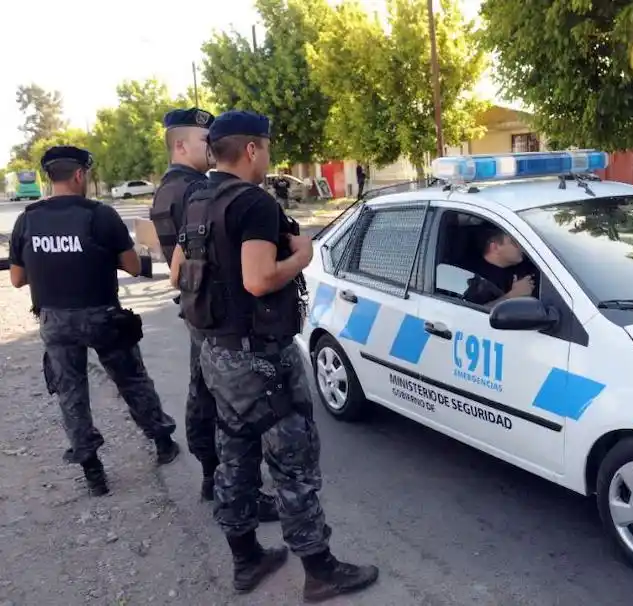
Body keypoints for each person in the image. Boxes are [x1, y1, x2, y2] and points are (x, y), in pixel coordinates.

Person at [169, 111, 379, 601]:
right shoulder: (252, 203)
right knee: (293, 461)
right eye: (265, 146)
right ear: (251, 150)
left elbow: (178, 274)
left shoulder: (197, 199)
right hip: (260, 358)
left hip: (216, 355)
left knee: (235, 455)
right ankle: (321, 570)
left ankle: (246, 559)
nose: (267, 156)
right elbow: (259, 279)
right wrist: (301, 258)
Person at [7, 145, 181, 497]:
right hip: (101, 315)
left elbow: (16, 279)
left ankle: (93, 472)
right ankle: (162, 442)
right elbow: (133, 266)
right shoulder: (100, 215)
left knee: (71, 395)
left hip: (55, 320)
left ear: (48, 177)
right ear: (79, 175)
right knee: (132, 380)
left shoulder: (27, 219)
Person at [150, 107, 279, 520]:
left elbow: (176, 268)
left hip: (198, 307)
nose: (210, 151)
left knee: (206, 394)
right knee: (234, 414)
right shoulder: (199, 192)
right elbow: (247, 273)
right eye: (203, 142)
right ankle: (232, 488)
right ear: (181, 144)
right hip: (223, 315)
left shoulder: (167, 191)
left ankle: (216, 478)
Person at [463, 225, 536, 307]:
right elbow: (473, 314)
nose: (521, 246)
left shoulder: (523, 264)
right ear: (494, 247)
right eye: (514, 243)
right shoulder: (478, 281)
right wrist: (513, 295)